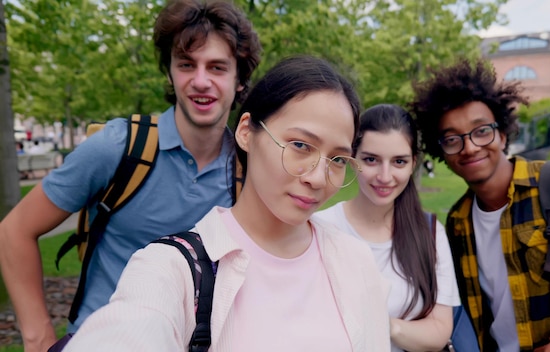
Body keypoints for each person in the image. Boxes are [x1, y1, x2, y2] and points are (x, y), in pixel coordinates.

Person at [62, 55, 390, 351]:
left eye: (337, 159)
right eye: (301, 145)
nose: (318, 178)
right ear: (246, 132)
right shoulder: (171, 268)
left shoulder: (355, 260)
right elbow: (132, 328)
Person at [0, 1, 261, 351]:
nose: (201, 81)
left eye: (217, 67)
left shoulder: (250, 168)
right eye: (186, 65)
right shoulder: (117, 146)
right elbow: (14, 231)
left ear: (240, 80)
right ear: (170, 72)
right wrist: (38, 338)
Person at [411, 58, 550, 351]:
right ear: (442, 152)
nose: (470, 146)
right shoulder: (458, 222)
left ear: (501, 134)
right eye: (452, 139)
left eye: (481, 130)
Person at [316, 104, 460, 352]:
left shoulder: (430, 233)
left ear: (413, 163)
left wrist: (384, 324)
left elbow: (439, 330)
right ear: (353, 159)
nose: (385, 176)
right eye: (371, 159)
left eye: (399, 162)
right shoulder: (319, 227)